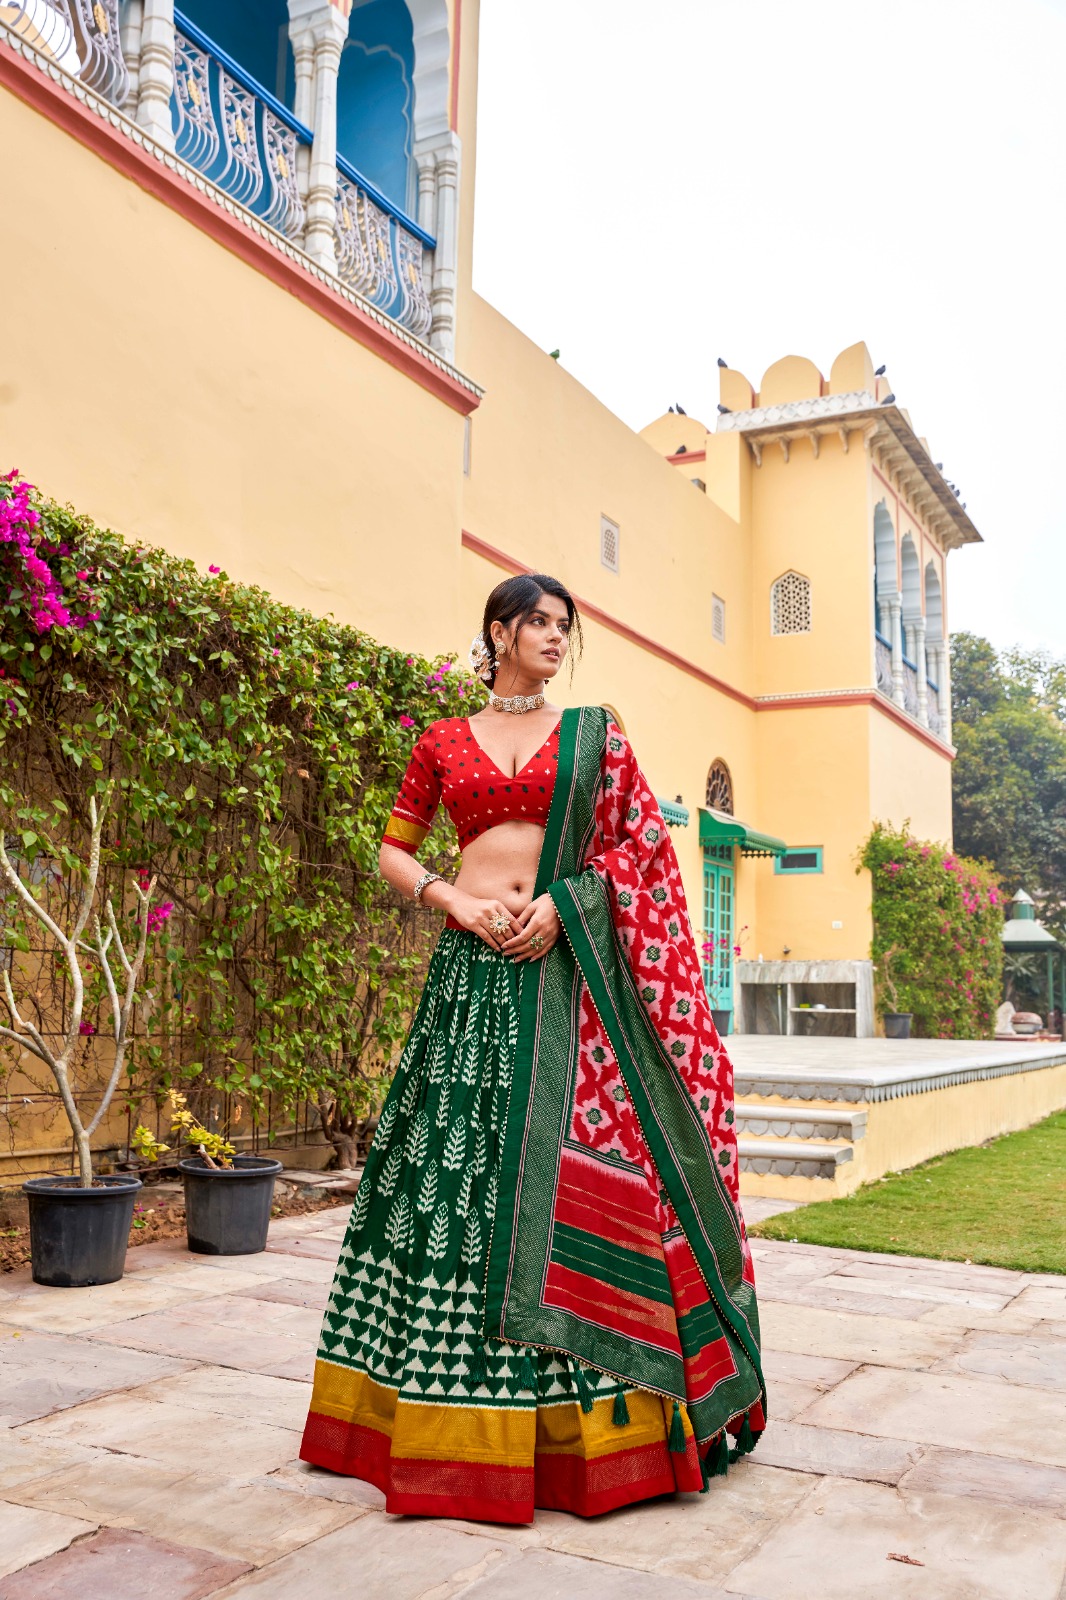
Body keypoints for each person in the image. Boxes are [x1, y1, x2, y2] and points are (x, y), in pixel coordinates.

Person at [299, 573, 766, 1523]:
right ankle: (437, 1421)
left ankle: (604, 1435)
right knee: (453, 1177)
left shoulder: (595, 736)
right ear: (498, 632)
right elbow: (394, 849)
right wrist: (454, 899)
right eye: (539, 624)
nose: (555, 638)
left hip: (571, 978)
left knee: (580, 1170)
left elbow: (641, 851)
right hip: (471, 978)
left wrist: (567, 904)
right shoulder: (442, 741)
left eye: (564, 626)